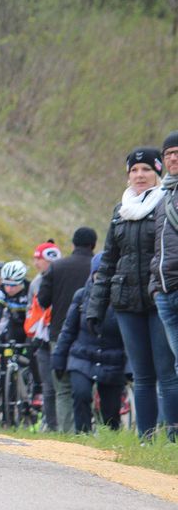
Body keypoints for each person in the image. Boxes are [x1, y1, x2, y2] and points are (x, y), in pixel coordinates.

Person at [86, 147, 177, 440]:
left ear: (157, 173)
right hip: (125, 302)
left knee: (167, 374)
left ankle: (173, 437)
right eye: (134, 171)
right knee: (141, 376)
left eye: (146, 170)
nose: (139, 175)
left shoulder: (167, 204)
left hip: (156, 297)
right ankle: (146, 438)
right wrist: (95, 308)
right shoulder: (120, 210)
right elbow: (109, 260)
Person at [53, 254, 127, 433]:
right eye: (98, 274)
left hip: (113, 360)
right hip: (82, 357)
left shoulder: (123, 298)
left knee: (110, 411)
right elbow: (68, 330)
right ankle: (82, 436)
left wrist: (130, 365)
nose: (102, 278)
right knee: (81, 394)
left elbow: (130, 335)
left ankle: (111, 440)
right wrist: (58, 358)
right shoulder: (81, 296)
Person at [39, 226, 98, 433]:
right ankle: (86, 432)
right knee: (87, 385)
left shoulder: (57, 267)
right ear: (93, 245)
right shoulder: (97, 267)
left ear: (73, 244)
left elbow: (43, 300)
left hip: (60, 333)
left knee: (62, 388)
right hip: (91, 334)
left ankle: (66, 434)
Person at [28, 240, 62, 431]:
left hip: (56, 334)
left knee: (59, 385)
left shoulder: (60, 276)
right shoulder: (36, 282)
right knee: (48, 386)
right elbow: (31, 311)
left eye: (38, 258)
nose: (36, 263)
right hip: (41, 338)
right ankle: (51, 424)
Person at [153, 132, 178, 371]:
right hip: (165, 291)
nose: (172, 158)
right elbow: (156, 247)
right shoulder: (163, 196)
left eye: (177, 153)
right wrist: (155, 288)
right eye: (168, 154)